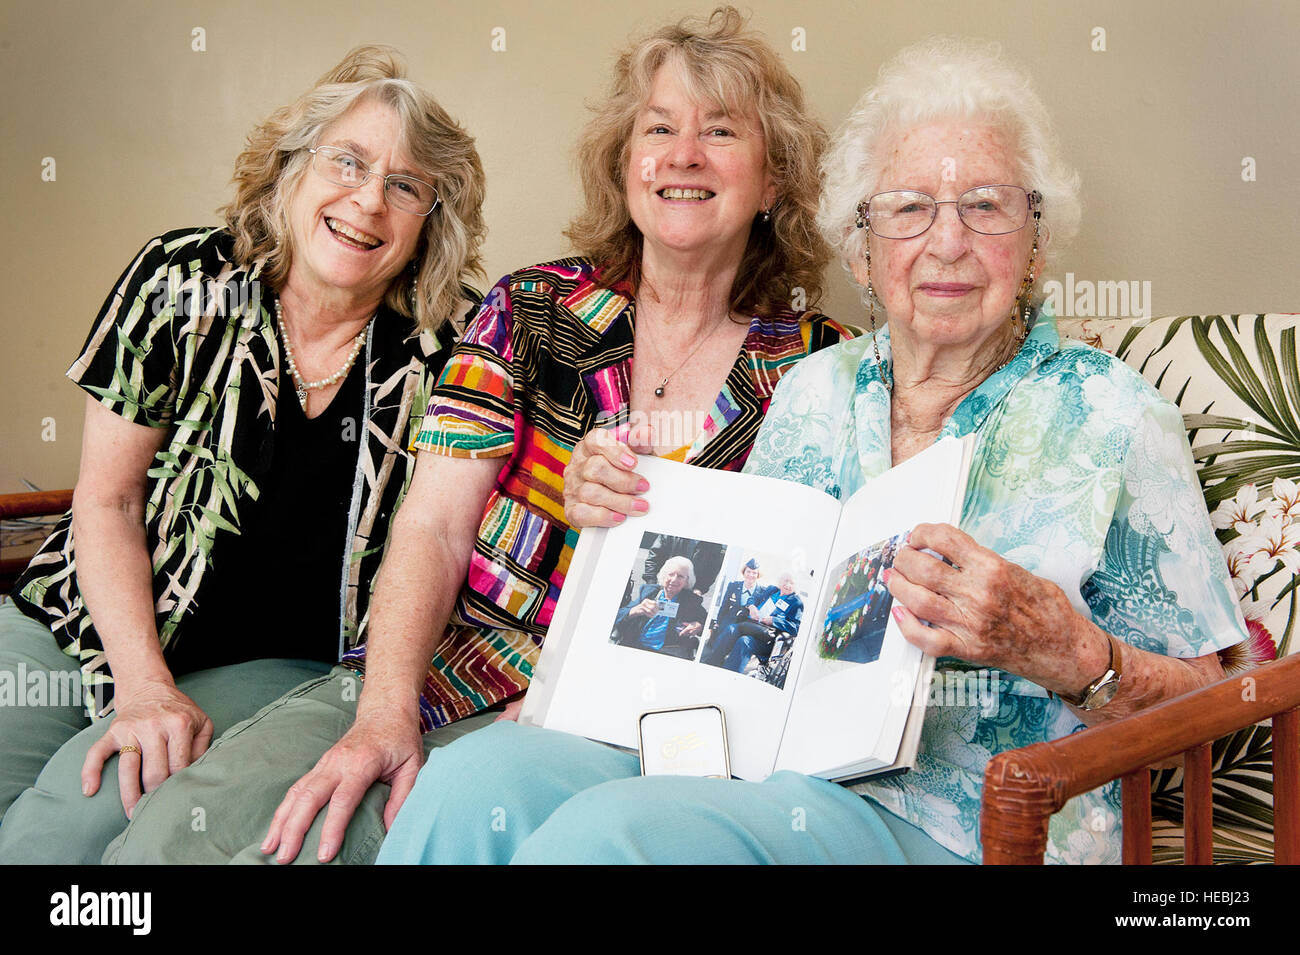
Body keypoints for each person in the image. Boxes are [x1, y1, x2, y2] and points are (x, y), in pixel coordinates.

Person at [375, 37, 1248, 866]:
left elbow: (1219, 710)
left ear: (1036, 239)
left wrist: (1066, 650)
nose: (946, 242)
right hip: (749, 765)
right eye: (908, 209)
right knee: (474, 778)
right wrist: (621, 518)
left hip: (958, 821)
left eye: (986, 206)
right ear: (863, 250)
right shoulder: (812, 388)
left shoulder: (1113, 415)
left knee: (615, 839)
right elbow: (737, 629)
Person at [106, 6, 849, 864]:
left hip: (619, 734)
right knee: (166, 847)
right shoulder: (531, 310)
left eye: (720, 130)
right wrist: (384, 716)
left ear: (775, 177)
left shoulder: (819, 367)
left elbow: (791, 615)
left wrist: (569, 706)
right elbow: (434, 523)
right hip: (428, 670)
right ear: (624, 161)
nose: (684, 153)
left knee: (312, 852)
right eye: (659, 127)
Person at [0, 45, 487, 864]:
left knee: (57, 838)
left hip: (266, 666)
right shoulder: (181, 281)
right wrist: (141, 685)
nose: (368, 201)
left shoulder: (455, 349)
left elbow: (461, 531)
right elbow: (108, 499)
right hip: (80, 615)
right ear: (291, 169)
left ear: (430, 220)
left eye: (405, 186)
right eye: (347, 161)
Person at [611, 557, 707, 659]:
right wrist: (634, 610)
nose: (674, 580)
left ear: (687, 581)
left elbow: (708, 623)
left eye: (680, 576)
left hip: (669, 652)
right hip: (636, 646)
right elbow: (618, 615)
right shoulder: (649, 592)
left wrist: (699, 626)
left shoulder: (690, 601)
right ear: (664, 575)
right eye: (670, 574)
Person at [700, 557, 775, 668]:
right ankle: (715, 660)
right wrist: (718, 621)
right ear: (744, 572)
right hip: (732, 617)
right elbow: (724, 606)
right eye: (748, 571)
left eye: (754, 573)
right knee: (724, 635)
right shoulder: (734, 585)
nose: (751, 575)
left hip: (748, 623)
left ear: (758, 575)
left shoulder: (763, 590)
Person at [725, 570, 803, 675]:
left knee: (745, 641)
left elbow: (796, 628)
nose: (788, 585)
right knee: (730, 629)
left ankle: (730, 674)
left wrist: (774, 621)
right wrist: (751, 607)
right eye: (786, 581)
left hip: (767, 639)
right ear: (780, 581)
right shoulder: (772, 590)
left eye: (792, 583)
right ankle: (713, 661)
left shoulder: (796, 602)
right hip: (752, 625)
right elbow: (753, 598)